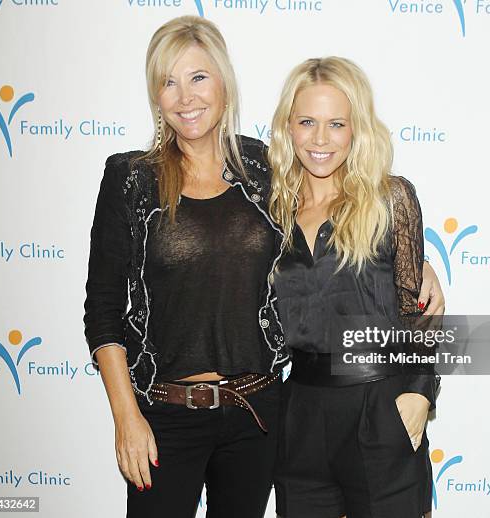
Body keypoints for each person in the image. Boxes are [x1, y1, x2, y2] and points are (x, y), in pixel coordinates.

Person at [83, 16, 444, 518]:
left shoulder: (262, 174)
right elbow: (102, 308)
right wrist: (126, 415)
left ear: (225, 85)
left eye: (198, 77)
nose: (185, 97)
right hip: (176, 412)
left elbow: (382, 274)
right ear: (156, 96)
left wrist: (420, 292)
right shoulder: (137, 178)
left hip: (260, 414)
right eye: (169, 82)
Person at [269, 56, 440, 518]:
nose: (320, 139)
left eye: (336, 124)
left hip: (380, 405)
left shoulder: (390, 199)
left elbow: (418, 310)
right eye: (307, 122)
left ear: (356, 129)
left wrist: (420, 393)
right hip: (300, 413)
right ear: (288, 127)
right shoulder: (269, 210)